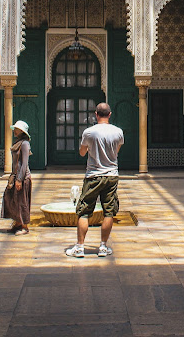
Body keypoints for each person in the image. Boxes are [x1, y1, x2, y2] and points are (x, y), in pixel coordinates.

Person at [66, 102, 123, 258]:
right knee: (109, 212)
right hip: (112, 175)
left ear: (96, 114)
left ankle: (79, 247)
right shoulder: (118, 132)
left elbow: (82, 153)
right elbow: (116, 151)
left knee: (84, 211)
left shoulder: (89, 132)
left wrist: (92, 149)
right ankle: (103, 247)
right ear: (110, 115)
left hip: (93, 175)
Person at [2, 120, 32, 235]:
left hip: (23, 177)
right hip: (15, 176)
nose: (15, 131)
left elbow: (24, 164)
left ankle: (24, 226)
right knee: (12, 200)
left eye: (17, 129)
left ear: (22, 131)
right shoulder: (18, 142)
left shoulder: (25, 144)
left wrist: (20, 179)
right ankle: (17, 223)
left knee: (22, 201)